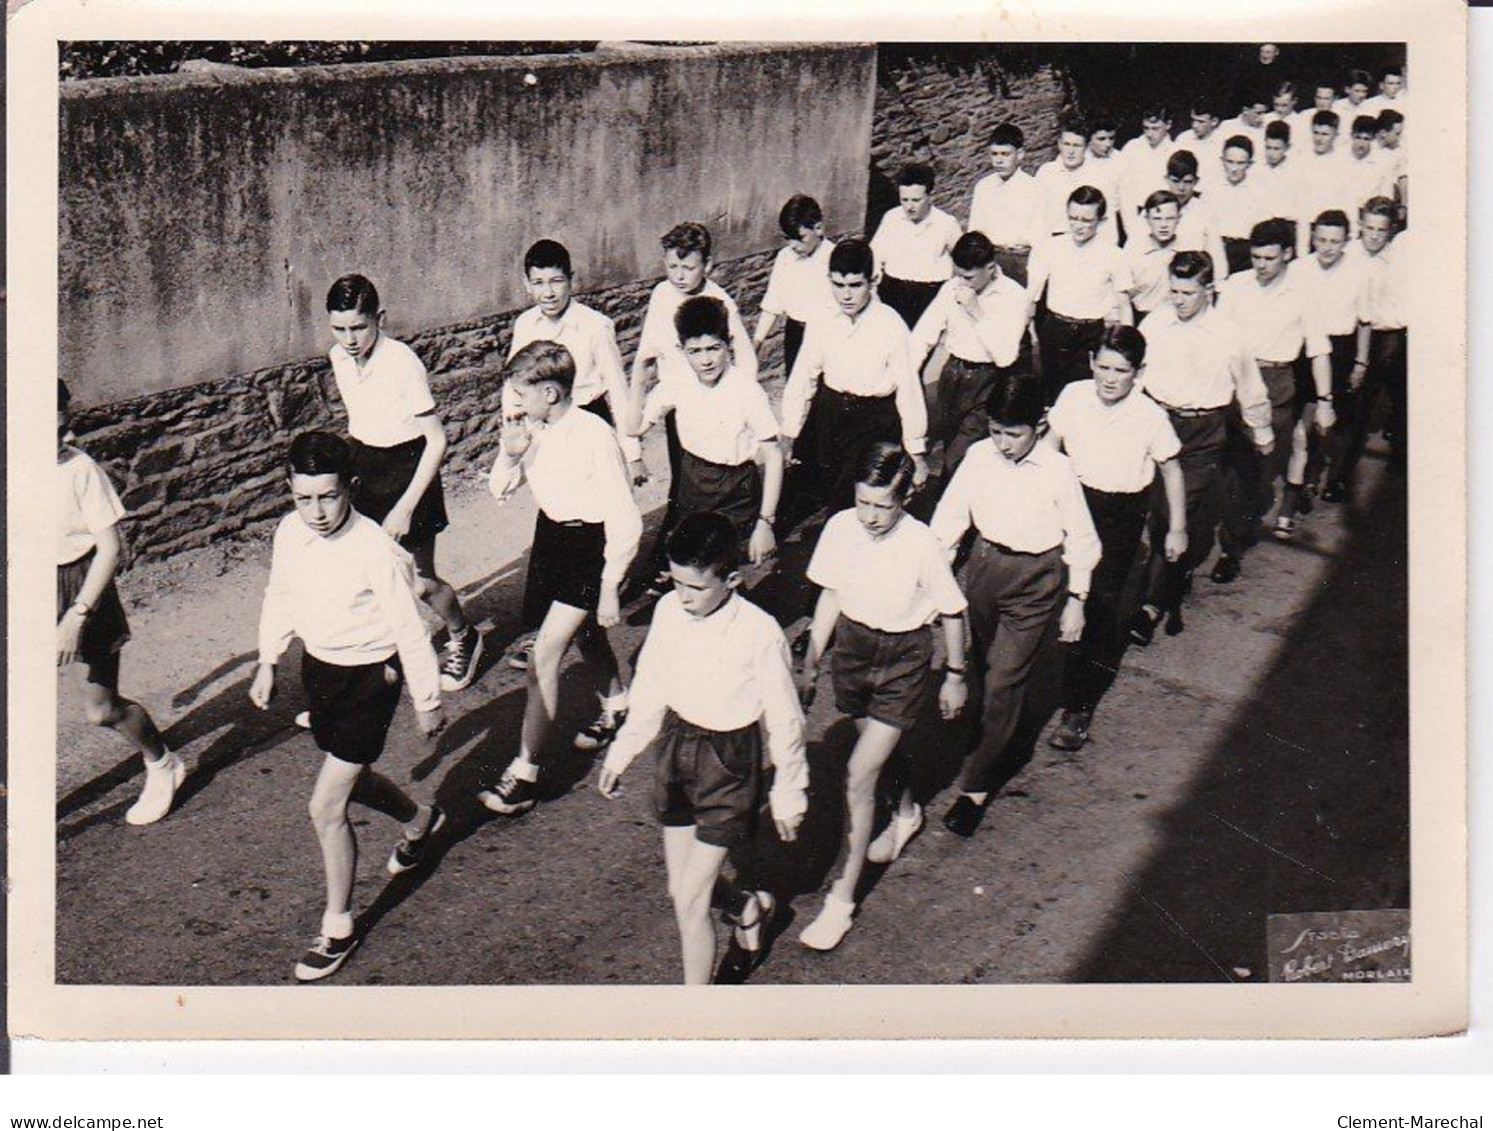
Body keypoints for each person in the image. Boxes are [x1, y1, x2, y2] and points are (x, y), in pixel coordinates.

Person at [250, 430, 448, 982]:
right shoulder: (290, 533)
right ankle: (421, 821)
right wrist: (269, 658)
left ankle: (337, 925)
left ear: (351, 489)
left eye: (328, 497)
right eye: (303, 498)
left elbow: (410, 627)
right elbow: (280, 593)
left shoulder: (375, 549)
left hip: (369, 681)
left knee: (325, 806)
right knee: (352, 778)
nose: (315, 511)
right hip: (320, 672)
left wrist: (426, 699)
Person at [598, 512, 808, 985]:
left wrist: (790, 792)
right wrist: (622, 751)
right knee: (682, 892)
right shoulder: (670, 611)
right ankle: (748, 909)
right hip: (677, 750)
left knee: (691, 903)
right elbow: (651, 685)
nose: (682, 597)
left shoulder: (759, 632)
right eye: (675, 584)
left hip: (730, 765)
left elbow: (785, 719)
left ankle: (696, 1017)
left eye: (694, 588)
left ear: (732, 580)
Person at [795, 443, 968, 949]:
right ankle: (909, 812)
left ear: (907, 497)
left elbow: (952, 612)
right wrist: (811, 664)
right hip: (852, 649)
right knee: (875, 750)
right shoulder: (841, 528)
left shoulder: (922, 544)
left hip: (903, 658)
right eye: (864, 503)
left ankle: (841, 903)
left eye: (883, 506)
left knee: (857, 778)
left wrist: (955, 674)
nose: (871, 517)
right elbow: (829, 594)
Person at [930, 373, 1101, 838]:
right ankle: (991, 729)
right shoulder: (978, 458)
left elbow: (1083, 540)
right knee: (986, 666)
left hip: (1036, 578)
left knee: (1005, 677)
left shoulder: (1058, 471)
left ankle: (976, 787)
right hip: (985, 569)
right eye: (996, 432)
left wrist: (1076, 600)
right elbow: (949, 520)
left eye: (1014, 434)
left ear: (1040, 425)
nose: (1003, 444)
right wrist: (934, 576)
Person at [480, 341, 643, 815]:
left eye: (520, 393)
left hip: (589, 547)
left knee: (543, 658)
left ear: (550, 393)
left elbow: (625, 519)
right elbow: (499, 490)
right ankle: (617, 704)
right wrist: (511, 455)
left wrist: (610, 584)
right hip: (551, 539)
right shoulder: (528, 428)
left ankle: (525, 775)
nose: (513, 403)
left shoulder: (593, 435)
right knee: (587, 635)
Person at [324, 275, 482, 693]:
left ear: (380, 318)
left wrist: (405, 506)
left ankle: (464, 635)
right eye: (339, 329)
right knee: (363, 573)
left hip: (409, 471)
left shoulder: (402, 363)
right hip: (365, 468)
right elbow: (361, 420)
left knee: (419, 581)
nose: (349, 339)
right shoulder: (338, 358)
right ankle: (377, 659)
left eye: (358, 327)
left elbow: (437, 440)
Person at [1045, 327, 1186, 752]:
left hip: (1119, 515)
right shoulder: (1073, 395)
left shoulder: (1149, 416)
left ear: (1137, 372)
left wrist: (1177, 527)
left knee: (1100, 604)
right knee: (1054, 588)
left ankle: (1078, 705)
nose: (1109, 378)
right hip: (1072, 499)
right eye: (1103, 367)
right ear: (1091, 362)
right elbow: (1051, 447)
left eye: (1120, 371)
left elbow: (1172, 469)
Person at [505, 239, 643, 671]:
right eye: (539, 283)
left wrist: (633, 450)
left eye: (557, 281)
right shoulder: (525, 325)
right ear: (527, 285)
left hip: (588, 417)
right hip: (545, 424)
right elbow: (513, 389)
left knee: (599, 515)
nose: (548, 292)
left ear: (572, 281)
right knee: (555, 515)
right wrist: (510, 440)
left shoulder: (594, 325)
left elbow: (618, 390)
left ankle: (594, 595)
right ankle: (553, 624)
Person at [1126, 251, 1273, 645]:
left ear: (1208, 290)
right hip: (1157, 421)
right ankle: (1166, 575)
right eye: (1173, 290)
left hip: (1203, 431)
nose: (1178, 299)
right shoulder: (1156, 323)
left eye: (1188, 292)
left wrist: (1261, 433)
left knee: (1175, 512)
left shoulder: (1229, 334)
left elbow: (1250, 389)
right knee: (1148, 506)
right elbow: (1137, 375)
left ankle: (1151, 605)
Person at [56, 380, 182, 826]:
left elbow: (110, 548)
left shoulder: (79, 470)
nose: (62, 439)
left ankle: (162, 762)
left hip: (79, 587)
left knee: (100, 710)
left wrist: (76, 616)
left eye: (62, 427)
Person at [631, 222, 760, 587]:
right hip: (674, 404)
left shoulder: (721, 303)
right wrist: (633, 444)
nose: (679, 276)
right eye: (672, 267)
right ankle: (675, 562)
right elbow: (647, 354)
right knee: (684, 483)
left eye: (689, 268)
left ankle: (686, 563)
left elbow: (746, 361)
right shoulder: (661, 296)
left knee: (698, 486)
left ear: (709, 264)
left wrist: (735, 404)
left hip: (712, 407)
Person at [626, 295, 783, 569]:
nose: (706, 360)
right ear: (681, 349)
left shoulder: (746, 390)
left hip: (737, 489)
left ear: (729, 345)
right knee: (693, 567)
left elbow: (774, 454)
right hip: (692, 482)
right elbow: (633, 427)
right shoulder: (676, 383)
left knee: (727, 570)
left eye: (714, 348)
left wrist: (766, 522)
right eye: (695, 351)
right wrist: (640, 375)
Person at [779, 238, 931, 512]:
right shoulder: (822, 317)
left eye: (854, 286)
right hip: (830, 412)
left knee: (848, 500)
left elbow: (909, 390)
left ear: (872, 281)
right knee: (825, 487)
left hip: (874, 420)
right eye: (838, 285)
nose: (846, 296)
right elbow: (804, 376)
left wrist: (916, 451)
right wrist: (790, 431)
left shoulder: (890, 325)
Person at [1214, 219, 1333, 564]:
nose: (1261, 266)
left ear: (1287, 254)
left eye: (1269, 258)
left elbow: (1318, 350)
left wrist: (1325, 401)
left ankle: (1230, 546)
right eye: (1255, 258)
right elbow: (1218, 338)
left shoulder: (1302, 295)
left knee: (1253, 469)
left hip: (1275, 386)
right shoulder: (1236, 286)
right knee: (1228, 466)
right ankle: (1235, 527)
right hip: (1234, 381)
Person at [908, 230, 1033, 486]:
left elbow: (1006, 356)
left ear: (990, 268)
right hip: (952, 374)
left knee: (960, 457)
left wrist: (976, 311)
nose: (961, 282)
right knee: (948, 445)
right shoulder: (952, 287)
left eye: (968, 277)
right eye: (958, 275)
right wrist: (908, 373)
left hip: (988, 381)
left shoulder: (1014, 297)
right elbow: (924, 334)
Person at [1025, 185, 1134, 404]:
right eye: (1073, 218)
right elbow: (1031, 297)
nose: (1078, 225)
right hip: (1055, 330)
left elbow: (1124, 305)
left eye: (1086, 220)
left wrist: (1126, 344)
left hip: (1092, 334)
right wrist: (1032, 334)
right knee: (1052, 393)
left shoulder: (1113, 255)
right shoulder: (1050, 248)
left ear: (1101, 221)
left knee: (1085, 394)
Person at [1299, 209, 1373, 508]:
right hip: (1308, 349)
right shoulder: (1300, 269)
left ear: (1346, 240)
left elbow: (1365, 322)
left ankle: (1336, 477)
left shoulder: (1358, 273)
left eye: (1335, 241)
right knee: (1308, 417)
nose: (1328, 247)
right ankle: (1306, 478)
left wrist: (1361, 363)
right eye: (1322, 239)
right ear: (1313, 238)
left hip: (1342, 349)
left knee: (1339, 421)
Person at [870, 162, 963, 329]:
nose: (909, 207)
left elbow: (965, 261)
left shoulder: (946, 223)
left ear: (929, 195)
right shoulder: (891, 218)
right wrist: (874, 288)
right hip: (893, 292)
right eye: (904, 200)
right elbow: (875, 255)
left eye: (916, 200)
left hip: (930, 297)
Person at [753, 194, 837, 377]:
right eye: (788, 238)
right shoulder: (785, 258)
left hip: (827, 336)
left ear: (818, 228)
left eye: (800, 238)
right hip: (795, 335)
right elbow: (773, 302)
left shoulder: (834, 258)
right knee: (795, 388)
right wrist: (757, 342)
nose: (793, 245)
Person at [966, 122, 1043, 286]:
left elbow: (1041, 240)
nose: (999, 160)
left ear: (1020, 154)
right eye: (994, 154)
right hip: (990, 260)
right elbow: (975, 231)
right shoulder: (983, 187)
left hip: (1022, 262)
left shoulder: (1035, 189)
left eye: (1005, 154)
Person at [1035, 116, 1119, 245]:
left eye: (1077, 146)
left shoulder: (1099, 175)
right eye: (1067, 144)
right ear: (1059, 144)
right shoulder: (1046, 173)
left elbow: (1107, 221)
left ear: (1086, 147)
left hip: (1088, 244)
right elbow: (1037, 215)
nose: (1071, 151)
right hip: (1053, 242)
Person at [1166, 150, 1230, 281]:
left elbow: (1217, 256)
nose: (1181, 188)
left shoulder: (1205, 211)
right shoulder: (1154, 208)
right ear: (1166, 179)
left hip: (1191, 283)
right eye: (1176, 181)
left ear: (1196, 181)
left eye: (1188, 182)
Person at [1213, 136, 1268, 276]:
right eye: (1230, 162)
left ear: (1250, 163)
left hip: (1244, 254)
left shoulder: (1260, 192)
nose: (1234, 168)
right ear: (1222, 161)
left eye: (1240, 163)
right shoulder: (1210, 188)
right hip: (1215, 249)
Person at [1116, 105, 1176, 225]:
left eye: (1155, 128)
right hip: (1134, 213)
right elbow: (1123, 188)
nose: (1149, 134)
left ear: (1168, 125)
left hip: (1164, 216)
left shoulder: (1175, 151)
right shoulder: (1132, 148)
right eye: (1146, 128)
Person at [1174, 99, 1227, 189]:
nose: (1195, 125)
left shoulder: (1223, 143)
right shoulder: (1183, 139)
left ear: (1214, 121)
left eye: (1201, 121)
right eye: (1193, 120)